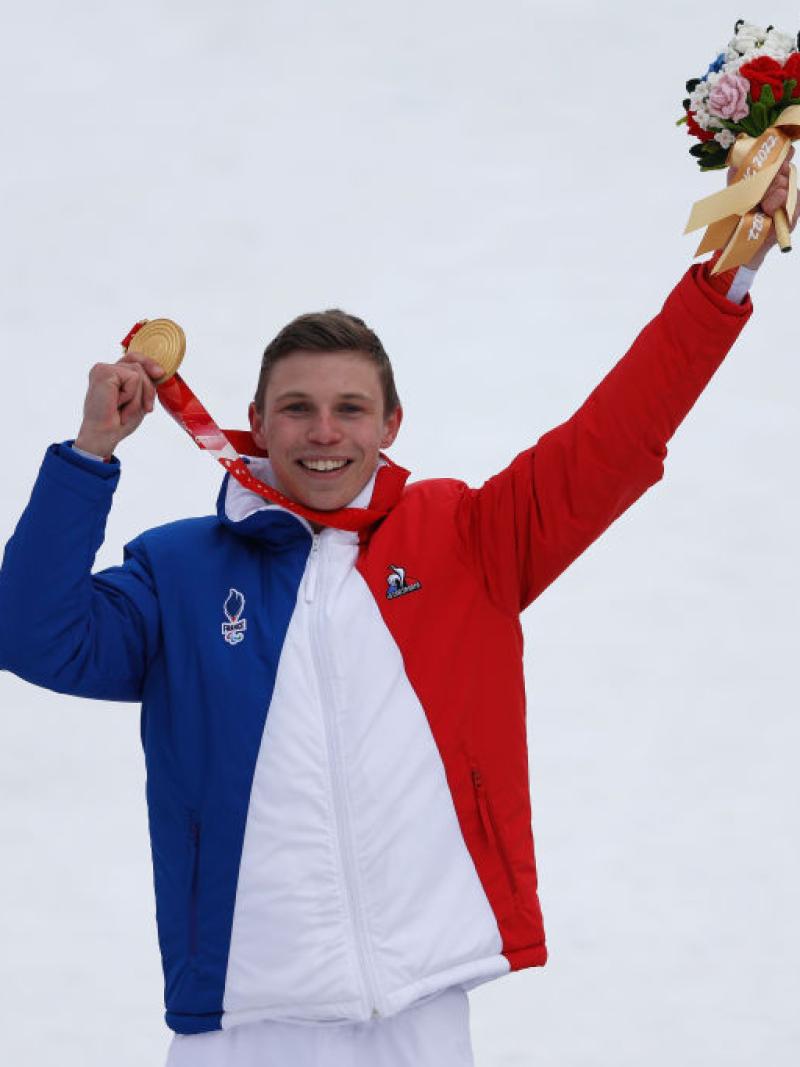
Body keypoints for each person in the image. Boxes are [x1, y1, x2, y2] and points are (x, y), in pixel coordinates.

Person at [0, 160, 796, 1067]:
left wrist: (731, 269)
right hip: (245, 1020)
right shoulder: (179, 573)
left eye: (350, 409)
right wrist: (91, 451)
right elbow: (32, 632)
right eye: (297, 409)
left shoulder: (468, 540)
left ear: (391, 424)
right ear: (258, 420)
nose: (325, 432)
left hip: (420, 1008)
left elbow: (615, 439)